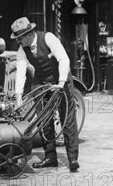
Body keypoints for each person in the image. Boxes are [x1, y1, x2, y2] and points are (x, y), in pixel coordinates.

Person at [11, 17, 80, 172]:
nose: (18, 41)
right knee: (43, 119)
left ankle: (72, 158)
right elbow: (21, 71)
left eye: (19, 38)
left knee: (67, 119)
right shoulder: (23, 49)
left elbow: (63, 59)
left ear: (29, 34)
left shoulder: (48, 38)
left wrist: (61, 83)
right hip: (41, 81)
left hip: (61, 79)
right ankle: (50, 157)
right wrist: (18, 96)